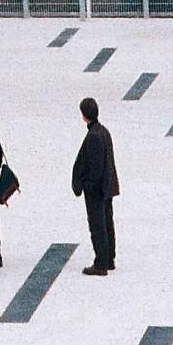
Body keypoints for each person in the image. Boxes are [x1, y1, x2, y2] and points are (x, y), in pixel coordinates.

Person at [72, 96, 119, 276]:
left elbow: (95, 167)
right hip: (107, 186)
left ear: (84, 115)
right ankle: (109, 258)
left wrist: (87, 185)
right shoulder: (103, 131)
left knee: (97, 224)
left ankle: (101, 262)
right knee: (107, 222)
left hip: (97, 189)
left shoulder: (93, 136)